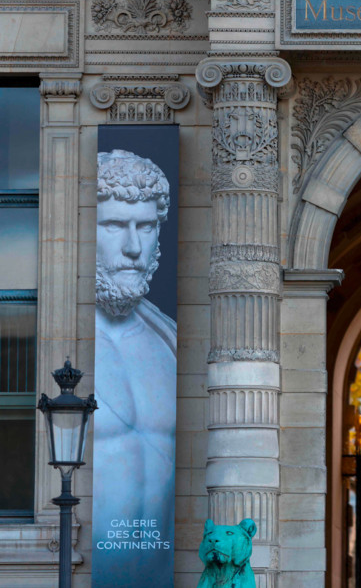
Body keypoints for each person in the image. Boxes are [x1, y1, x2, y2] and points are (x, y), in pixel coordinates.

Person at [92, 149, 176, 580]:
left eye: (145, 227)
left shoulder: (170, 340)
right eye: (113, 225)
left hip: (161, 575)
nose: (133, 248)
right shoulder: (63, 343)